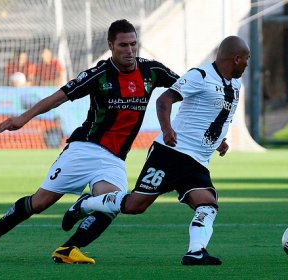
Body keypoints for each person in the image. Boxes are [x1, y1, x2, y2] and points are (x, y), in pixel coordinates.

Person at [0, 19, 179, 264]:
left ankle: (68, 248)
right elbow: (58, 98)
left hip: (115, 158)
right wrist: (23, 118)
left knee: (114, 204)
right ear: (110, 45)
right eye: (123, 45)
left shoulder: (152, 71)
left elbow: (188, 87)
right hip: (85, 149)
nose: (130, 51)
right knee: (40, 202)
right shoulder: (99, 74)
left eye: (133, 44)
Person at [60, 35, 250, 265]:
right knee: (135, 205)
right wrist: (167, 129)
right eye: (247, 58)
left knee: (208, 205)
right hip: (170, 154)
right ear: (236, 58)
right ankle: (86, 204)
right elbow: (164, 100)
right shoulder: (200, 76)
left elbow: (217, 116)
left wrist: (220, 140)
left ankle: (196, 252)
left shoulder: (236, 85)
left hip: (198, 161)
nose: (248, 63)